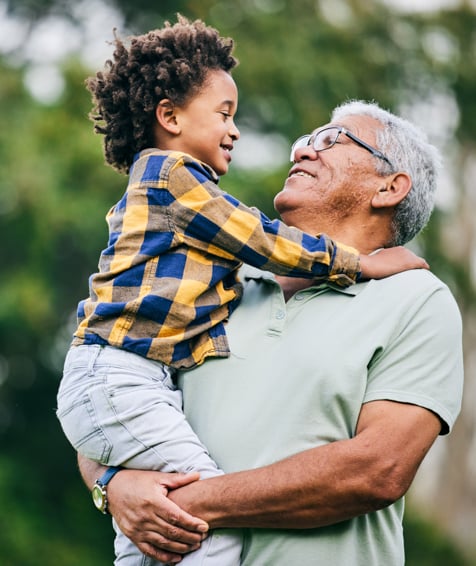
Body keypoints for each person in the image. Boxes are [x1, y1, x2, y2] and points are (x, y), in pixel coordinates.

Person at [56, 17, 425, 566]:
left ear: (390, 187)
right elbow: (258, 236)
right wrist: (112, 487)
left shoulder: (418, 301)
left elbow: (379, 471)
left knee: (164, 539)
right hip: (119, 375)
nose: (235, 131)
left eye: (332, 139)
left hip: (120, 378)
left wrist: (147, 493)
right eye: (224, 115)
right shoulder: (174, 178)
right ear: (170, 116)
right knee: (208, 538)